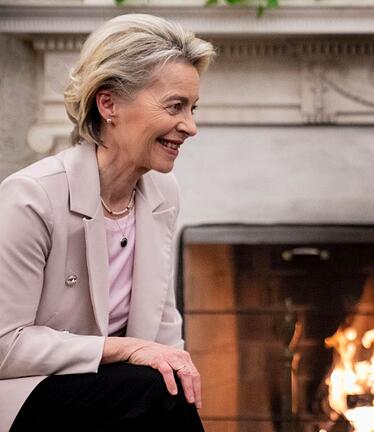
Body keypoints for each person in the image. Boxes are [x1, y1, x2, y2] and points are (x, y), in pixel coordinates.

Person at [0, 13, 216, 431]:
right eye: (175, 106)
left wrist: (170, 365)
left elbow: (164, 329)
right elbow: (5, 345)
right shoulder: (31, 197)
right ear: (109, 103)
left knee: (164, 386)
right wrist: (127, 349)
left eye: (192, 107)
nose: (190, 126)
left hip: (119, 397)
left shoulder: (162, 195)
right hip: (24, 393)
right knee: (150, 388)